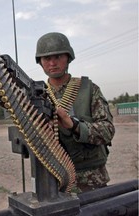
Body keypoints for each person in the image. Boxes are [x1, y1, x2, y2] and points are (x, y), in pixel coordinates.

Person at [35, 32, 115, 193]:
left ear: (68, 58)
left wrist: (75, 126)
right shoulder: (37, 95)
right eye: (46, 58)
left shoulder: (88, 89)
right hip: (52, 183)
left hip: (90, 181)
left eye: (58, 56)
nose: (52, 63)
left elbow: (108, 130)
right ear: (40, 62)